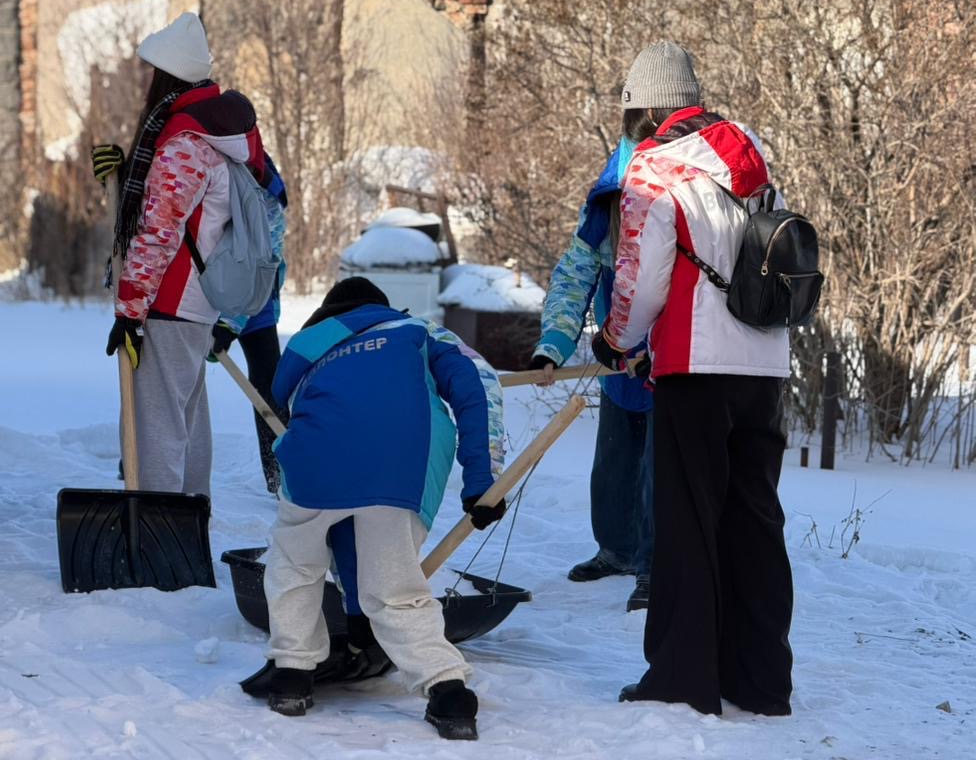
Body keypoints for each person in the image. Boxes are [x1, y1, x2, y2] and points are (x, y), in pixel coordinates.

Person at [594, 41, 793, 716]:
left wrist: (615, 340)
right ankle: (761, 682)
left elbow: (641, 281)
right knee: (755, 521)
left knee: (688, 525)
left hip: (693, 361)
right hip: (764, 361)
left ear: (646, 112)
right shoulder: (751, 152)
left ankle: (682, 679)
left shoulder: (653, 169)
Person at [256, 277, 506, 741]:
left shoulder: (307, 345)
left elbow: (290, 404)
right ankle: (448, 691)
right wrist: (481, 480)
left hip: (314, 460)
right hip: (400, 461)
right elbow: (477, 384)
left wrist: (355, 616)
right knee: (393, 584)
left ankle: (291, 672)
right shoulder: (419, 330)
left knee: (294, 564)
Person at [90, 12, 265, 497]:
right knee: (186, 416)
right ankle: (190, 519)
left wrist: (129, 310)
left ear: (166, 77)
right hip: (196, 299)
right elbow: (179, 209)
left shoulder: (184, 141)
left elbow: (158, 232)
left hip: (170, 299)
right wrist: (128, 177)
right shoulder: (217, 132)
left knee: (158, 425)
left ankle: (159, 529)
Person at [530, 123, 655, 611]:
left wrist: (654, 353)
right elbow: (575, 275)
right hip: (616, 358)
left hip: (665, 362)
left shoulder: (675, 205)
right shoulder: (604, 207)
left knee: (659, 474)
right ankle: (617, 550)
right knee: (615, 463)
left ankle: (654, 565)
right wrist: (553, 345)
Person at [209, 151, 288, 494]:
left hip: (254, 297)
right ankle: (145, 466)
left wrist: (230, 322)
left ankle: (282, 476)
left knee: (270, 385)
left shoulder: (261, 183)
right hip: (203, 290)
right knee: (175, 376)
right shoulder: (202, 160)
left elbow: (265, 254)